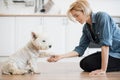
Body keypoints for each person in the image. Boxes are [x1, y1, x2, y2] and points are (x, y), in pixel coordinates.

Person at [47, 0, 120, 76]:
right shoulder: (86, 28)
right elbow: (80, 49)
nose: (76, 19)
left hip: (118, 53)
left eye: (77, 15)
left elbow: (105, 45)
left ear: (84, 11)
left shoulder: (102, 16)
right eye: (74, 17)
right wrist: (61, 56)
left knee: (89, 63)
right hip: (111, 53)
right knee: (84, 63)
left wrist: (103, 70)